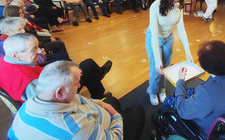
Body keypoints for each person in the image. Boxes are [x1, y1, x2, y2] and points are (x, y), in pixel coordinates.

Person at [8, 60, 144, 140]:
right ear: (59, 92)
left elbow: (77, 98)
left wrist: (98, 103)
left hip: (94, 118)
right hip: (110, 131)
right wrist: (116, 115)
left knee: (112, 100)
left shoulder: (30, 104)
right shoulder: (74, 129)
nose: (80, 85)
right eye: (76, 83)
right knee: (138, 110)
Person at [0, 33, 113, 101]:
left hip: (49, 81)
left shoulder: (4, 60)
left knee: (83, 67)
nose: (40, 51)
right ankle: (99, 97)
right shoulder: (29, 82)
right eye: (34, 49)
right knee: (88, 65)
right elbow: (52, 104)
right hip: (58, 91)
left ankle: (97, 80)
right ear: (15, 55)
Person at [164, 40, 225, 138]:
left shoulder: (207, 92)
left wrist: (181, 80)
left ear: (206, 68)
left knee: (169, 101)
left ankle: (167, 124)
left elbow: (183, 111)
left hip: (206, 129)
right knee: (183, 91)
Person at [146, 0, 193, 106]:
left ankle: (162, 89)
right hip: (154, 37)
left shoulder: (178, 7)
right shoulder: (156, 6)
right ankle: (152, 91)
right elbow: (154, 34)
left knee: (165, 68)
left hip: (168, 37)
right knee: (156, 68)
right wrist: (157, 59)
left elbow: (181, 29)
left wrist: (188, 52)